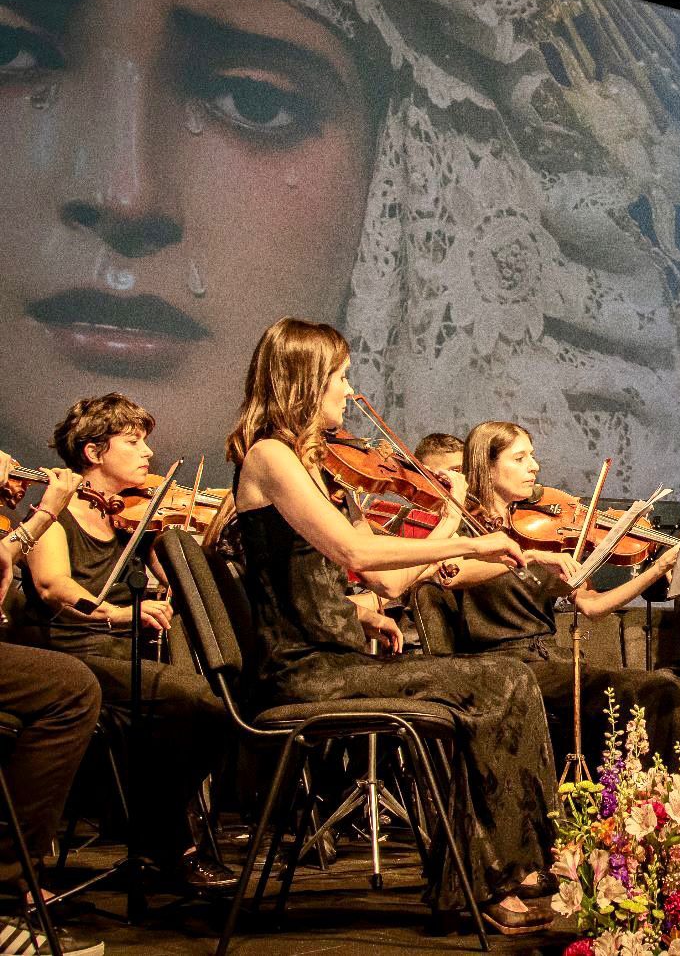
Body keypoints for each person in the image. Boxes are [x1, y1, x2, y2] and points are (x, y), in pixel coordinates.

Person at [0, 0, 680, 496]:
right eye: (15, 53)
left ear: (399, 172)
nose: (125, 194)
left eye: (255, 103)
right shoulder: (275, 466)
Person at [224, 317, 560, 934]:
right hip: (302, 673)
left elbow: (390, 584)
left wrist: (450, 533)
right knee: (498, 682)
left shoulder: (312, 468)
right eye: (341, 377)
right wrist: (482, 543)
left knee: (505, 678)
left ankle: (506, 870)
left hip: (337, 661)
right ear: (306, 380)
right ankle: (503, 874)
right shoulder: (270, 457)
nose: (350, 392)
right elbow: (357, 555)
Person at [17, 395, 235, 894]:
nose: (149, 454)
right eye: (133, 442)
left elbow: (173, 582)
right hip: (73, 654)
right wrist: (116, 613)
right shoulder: (55, 506)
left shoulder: (135, 516)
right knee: (203, 704)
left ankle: (160, 832)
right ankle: (167, 840)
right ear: (94, 452)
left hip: (125, 657)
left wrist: (189, 541)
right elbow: (54, 586)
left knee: (209, 707)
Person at [445, 420, 680, 768]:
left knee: (662, 687)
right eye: (520, 458)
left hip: (547, 658)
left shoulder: (539, 532)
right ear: (488, 465)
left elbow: (594, 606)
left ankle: (647, 807)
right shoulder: (467, 531)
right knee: (637, 691)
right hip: (503, 666)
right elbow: (454, 573)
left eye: (533, 455)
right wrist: (526, 556)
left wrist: (657, 569)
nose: (535, 466)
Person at [0, 451, 108, 956]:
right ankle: (5, 888)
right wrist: (45, 513)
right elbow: (34, 577)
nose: (150, 454)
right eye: (135, 441)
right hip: (72, 641)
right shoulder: (57, 524)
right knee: (72, 687)